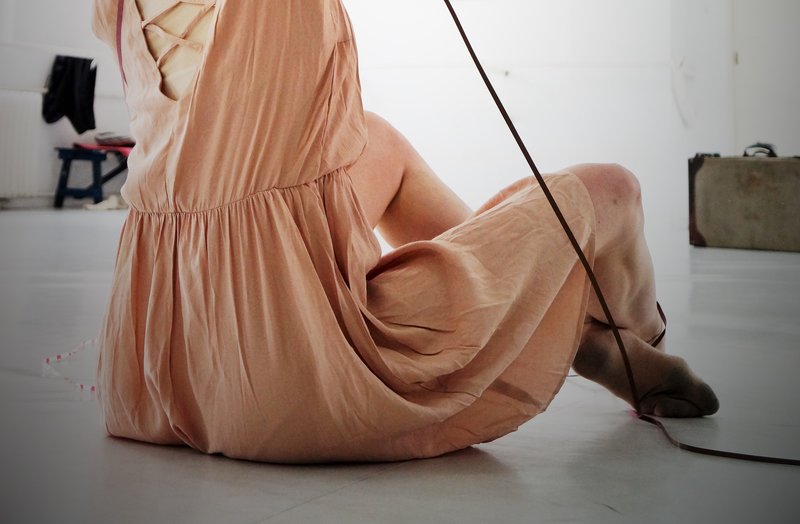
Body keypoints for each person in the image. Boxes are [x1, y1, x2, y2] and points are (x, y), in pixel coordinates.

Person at [91, 0, 718, 463]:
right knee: (616, 190)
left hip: (155, 370)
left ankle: (547, 319)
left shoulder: (111, 8)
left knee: (377, 139)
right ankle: (629, 336)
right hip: (284, 379)